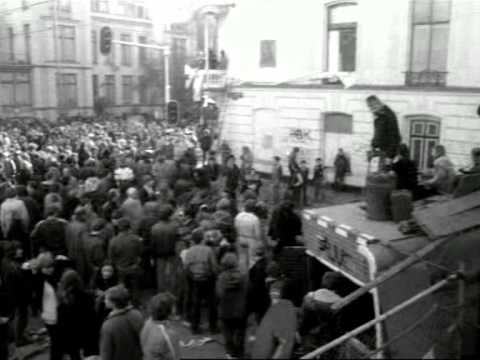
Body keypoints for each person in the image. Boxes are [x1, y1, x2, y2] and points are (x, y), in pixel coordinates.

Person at [55, 269, 97, 360]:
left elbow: (60, 319)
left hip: (69, 333)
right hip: (84, 330)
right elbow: (91, 315)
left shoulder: (62, 297)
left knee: (74, 354)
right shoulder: (86, 296)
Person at [184, 229, 218, 334]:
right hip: (207, 279)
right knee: (212, 303)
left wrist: (192, 276)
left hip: (195, 279)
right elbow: (214, 266)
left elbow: (186, 267)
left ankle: (195, 327)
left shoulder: (189, 251)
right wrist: (214, 275)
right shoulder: (208, 250)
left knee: (196, 303)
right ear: (202, 239)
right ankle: (213, 327)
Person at [216, 253, 248, 358]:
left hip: (225, 309)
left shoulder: (221, 277)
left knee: (227, 333)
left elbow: (219, 293)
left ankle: (230, 352)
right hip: (240, 308)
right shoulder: (243, 276)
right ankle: (240, 352)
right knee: (240, 332)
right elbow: (247, 291)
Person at [100, 285, 144, 360]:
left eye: (106, 299)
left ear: (113, 303)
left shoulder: (108, 325)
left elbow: (106, 353)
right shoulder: (137, 314)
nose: (104, 301)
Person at [108, 218, 143, 305]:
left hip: (121, 268)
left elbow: (111, 257)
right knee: (135, 287)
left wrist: (116, 265)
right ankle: (136, 303)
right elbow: (140, 252)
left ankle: (122, 303)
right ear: (129, 227)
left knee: (121, 288)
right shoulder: (136, 239)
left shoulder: (113, 241)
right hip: (134, 267)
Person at [141, 292, 180, 360]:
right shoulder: (169, 335)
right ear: (169, 311)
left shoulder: (147, 323)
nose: (176, 310)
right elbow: (175, 357)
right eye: (174, 307)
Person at [367, 95, 402, 167]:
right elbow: (378, 134)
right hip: (378, 153)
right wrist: (373, 144)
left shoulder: (389, 115)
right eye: (369, 107)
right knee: (374, 175)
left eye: (372, 106)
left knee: (383, 176)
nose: (371, 109)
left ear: (378, 103)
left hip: (386, 154)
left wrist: (389, 156)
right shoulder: (379, 115)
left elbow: (395, 137)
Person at [151, 205, 179, 293]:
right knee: (172, 274)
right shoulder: (174, 226)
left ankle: (161, 293)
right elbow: (177, 240)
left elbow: (153, 243)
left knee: (160, 275)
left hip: (159, 254)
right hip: (172, 253)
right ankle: (172, 292)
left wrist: (152, 255)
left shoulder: (155, 227)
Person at [234, 199, 262, 272]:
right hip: (251, 239)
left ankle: (242, 274)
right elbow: (257, 234)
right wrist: (259, 243)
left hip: (240, 237)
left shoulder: (238, 216)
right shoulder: (255, 218)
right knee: (252, 259)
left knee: (241, 258)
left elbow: (235, 227)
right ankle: (251, 275)